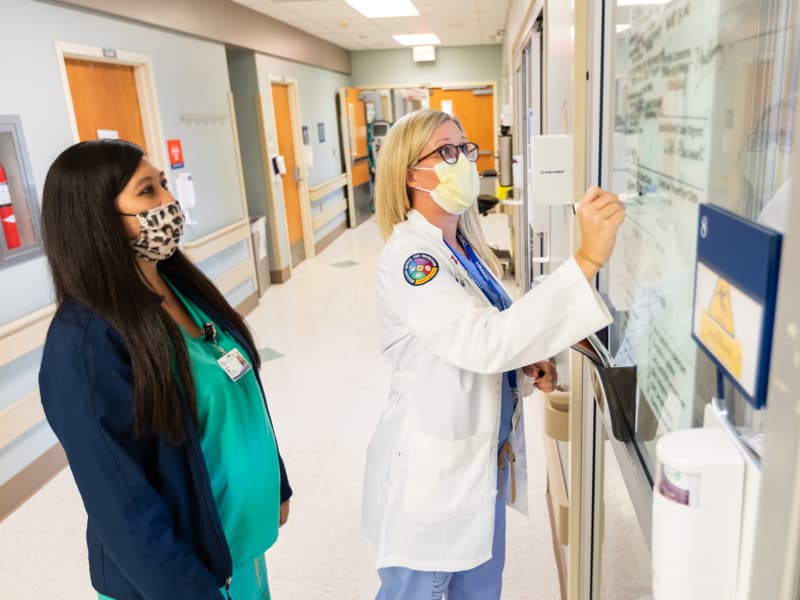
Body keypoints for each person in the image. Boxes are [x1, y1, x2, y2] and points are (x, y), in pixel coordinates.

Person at [362, 109, 624, 599]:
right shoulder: (411, 259)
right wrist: (585, 261)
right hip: (435, 484)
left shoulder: (462, 247)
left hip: (478, 473)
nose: (462, 159)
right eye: (444, 151)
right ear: (408, 174)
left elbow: (486, 337)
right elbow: (480, 344)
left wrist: (525, 370)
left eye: (465, 148)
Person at [38, 140, 292, 599]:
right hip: (181, 580)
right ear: (95, 217)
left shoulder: (180, 288)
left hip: (236, 552)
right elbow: (122, 505)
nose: (169, 202)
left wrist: (277, 479)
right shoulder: (84, 347)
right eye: (148, 192)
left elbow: (238, 391)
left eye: (164, 185)